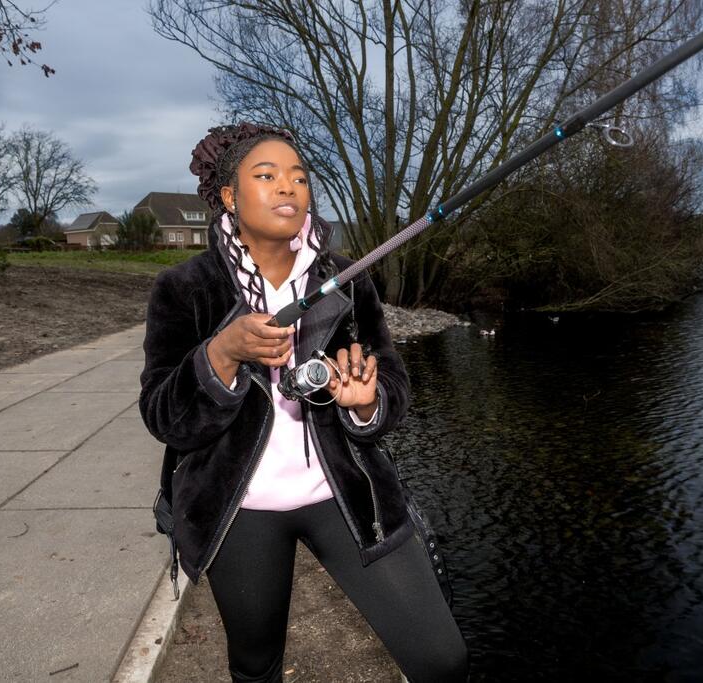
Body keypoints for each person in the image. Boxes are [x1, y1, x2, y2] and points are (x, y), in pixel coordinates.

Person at [139, 122, 469, 683]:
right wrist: (222, 353)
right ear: (230, 196)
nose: (287, 187)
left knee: (443, 659)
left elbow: (393, 381)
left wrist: (365, 402)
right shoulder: (184, 287)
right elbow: (164, 417)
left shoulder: (347, 278)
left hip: (344, 493)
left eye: (298, 176)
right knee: (256, 665)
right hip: (238, 507)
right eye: (266, 175)